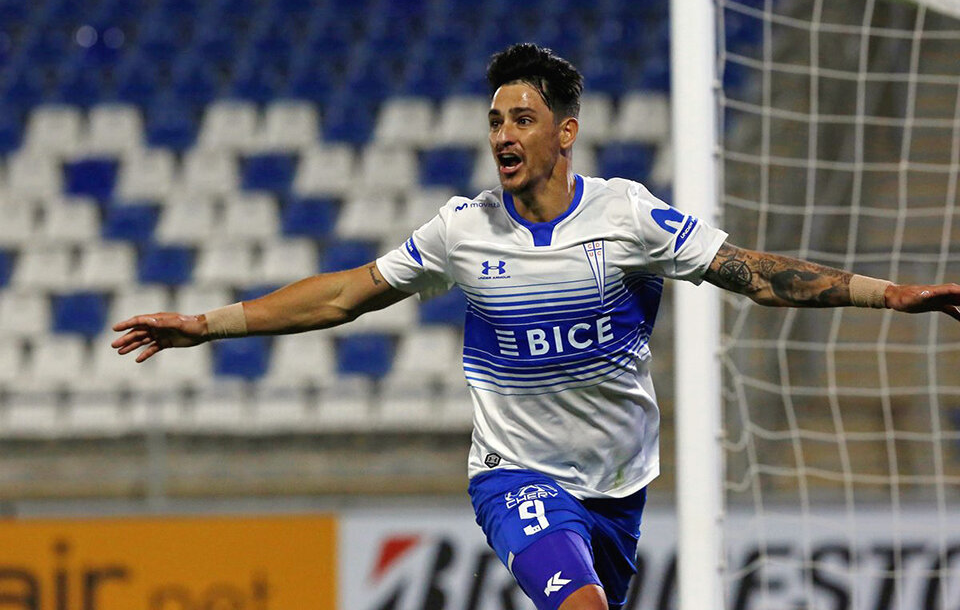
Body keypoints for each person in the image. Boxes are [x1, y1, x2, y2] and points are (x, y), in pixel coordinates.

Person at [112, 43, 960, 610]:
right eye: (493, 120)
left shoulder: (628, 217)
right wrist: (205, 324)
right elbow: (346, 294)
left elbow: (756, 275)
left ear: (565, 132)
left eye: (520, 119)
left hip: (618, 492)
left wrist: (887, 295)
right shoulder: (463, 228)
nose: (503, 135)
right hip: (514, 476)